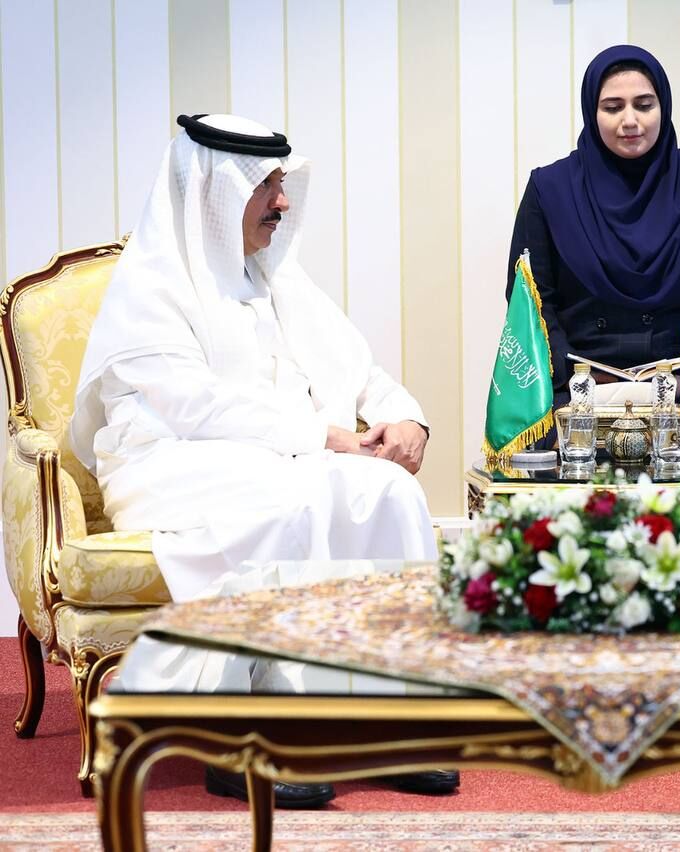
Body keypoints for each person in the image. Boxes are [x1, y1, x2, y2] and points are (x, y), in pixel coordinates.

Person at [70, 113, 458, 806]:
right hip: (166, 464)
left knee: (388, 493)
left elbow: (356, 364)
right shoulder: (153, 286)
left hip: (278, 454)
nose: (282, 202)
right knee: (291, 497)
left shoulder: (276, 276)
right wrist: (327, 437)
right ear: (213, 192)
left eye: (282, 183)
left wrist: (405, 417)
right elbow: (194, 406)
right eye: (264, 186)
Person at [506, 44, 680, 443]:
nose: (630, 121)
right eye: (612, 107)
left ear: (663, 107)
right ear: (591, 111)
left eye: (644, 105)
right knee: (553, 469)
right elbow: (532, 301)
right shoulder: (550, 190)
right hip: (574, 388)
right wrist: (573, 383)